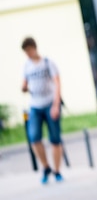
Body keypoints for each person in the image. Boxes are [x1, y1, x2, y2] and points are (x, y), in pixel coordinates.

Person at [21, 36, 64, 184]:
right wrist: (24, 87)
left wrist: (56, 105)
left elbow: (57, 84)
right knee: (34, 137)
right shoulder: (26, 66)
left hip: (50, 104)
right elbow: (24, 84)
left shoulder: (48, 62)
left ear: (34, 48)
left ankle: (57, 171)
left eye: (29, 50)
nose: (28, 54)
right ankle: (46, 167)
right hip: (35, 106)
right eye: (25, 52)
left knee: (55, 138)